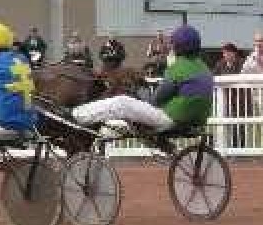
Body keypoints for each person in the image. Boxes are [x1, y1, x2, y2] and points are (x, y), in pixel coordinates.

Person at [72, 26, 213, 154]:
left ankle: (76, 115)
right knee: (132, 103)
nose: (170, 47)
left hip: (172, 119)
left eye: (172, 44)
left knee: (121, 102)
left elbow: (156, 100)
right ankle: (150, 139)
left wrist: (140, 94)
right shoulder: (204, 67)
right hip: (196, 119)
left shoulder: (178, 68)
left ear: (178, 47)